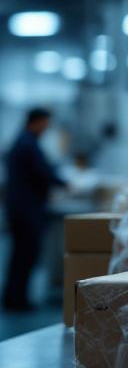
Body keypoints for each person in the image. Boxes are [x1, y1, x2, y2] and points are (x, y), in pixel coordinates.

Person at [3, 107, 66, 311]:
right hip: (27, 211)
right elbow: (43, 172)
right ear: (37, 122)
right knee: (26, 255)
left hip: (18, 208)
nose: (46, 129)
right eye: (45, 125)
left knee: (18, 256)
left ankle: (12, 297)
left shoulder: (21, 141)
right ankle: (18, 301)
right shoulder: (29, 144)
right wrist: (65, 184)